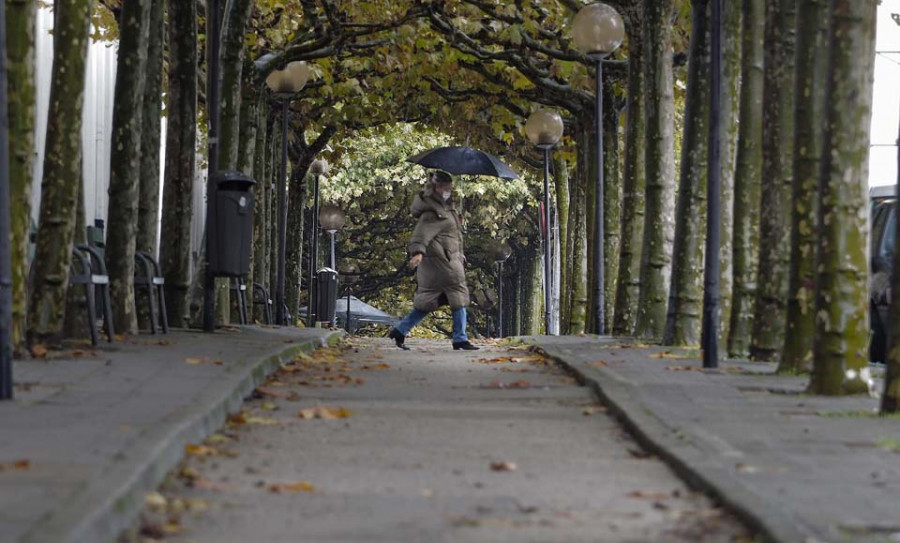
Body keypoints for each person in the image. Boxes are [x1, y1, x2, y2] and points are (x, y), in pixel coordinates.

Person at [389, 171, 479, 351]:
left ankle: (400, 330)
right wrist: (417, 253)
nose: (448, 191)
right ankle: (460, 338)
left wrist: (458, 225)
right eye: (445, 188)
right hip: (443, 264)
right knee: (458, 296)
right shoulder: (433, 212)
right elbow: (421, 234)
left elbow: (449, 235)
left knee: (429, 302)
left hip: (443, 261)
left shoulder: (445, 209)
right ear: (436, 188)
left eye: (449, 188)